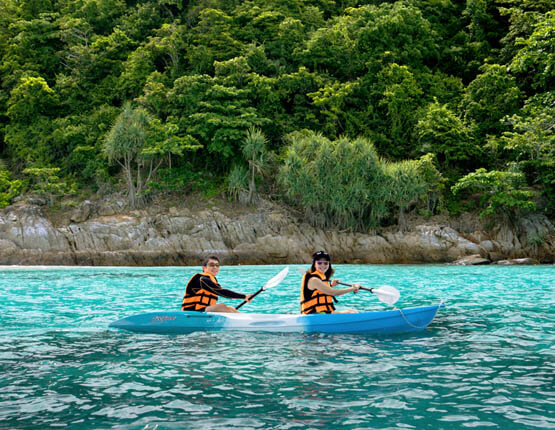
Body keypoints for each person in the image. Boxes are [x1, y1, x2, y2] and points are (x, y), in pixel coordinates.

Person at [181, 256, 253, 313]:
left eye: (217, 265)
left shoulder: (212, 280)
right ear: (204, 267)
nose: (215, 267)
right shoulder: (202, 280)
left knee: (230, 308)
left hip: (203, 312)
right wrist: (244, 296)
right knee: (221, 307)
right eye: (211, 265)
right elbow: (221, 292)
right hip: (191, 312)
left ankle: (246, 321)